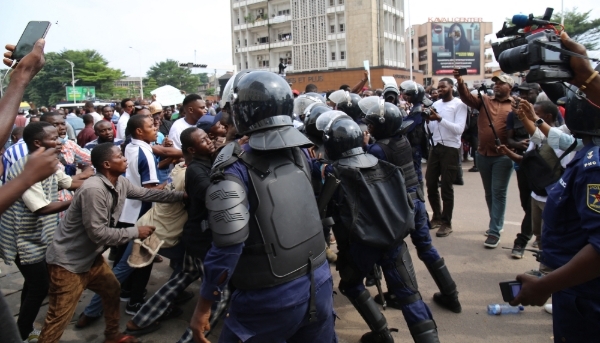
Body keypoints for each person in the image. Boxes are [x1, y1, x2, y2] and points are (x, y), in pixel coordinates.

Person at [189, 71, 336, 343]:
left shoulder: (233, 167)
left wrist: (203, 306)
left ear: (241, 111)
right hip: (320, 281)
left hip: (268, 297)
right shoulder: (302, 152)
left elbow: (227, 246)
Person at [38, 142, 185, 343]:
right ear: (107, 164)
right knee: (58, 319)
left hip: (91, 259)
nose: (125, 159)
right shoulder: (93, 190)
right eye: (120, 157)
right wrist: (135, 231)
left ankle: (112, 336)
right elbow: (98, 234)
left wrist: (181, 196)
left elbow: (147, 193)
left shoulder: (120, 183)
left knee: (112, 290)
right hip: (68, 264)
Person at [315, 112, 440, 342]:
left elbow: (326, 214)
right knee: (410, 296)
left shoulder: (335, 172)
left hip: (362, 245)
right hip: (395, 240)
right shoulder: (383, 164)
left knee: (351, 285)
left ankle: (382, 334)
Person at [509, 79, 600, 342]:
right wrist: (534, 118)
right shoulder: (585, 146)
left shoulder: (594, 167)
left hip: (586, 295)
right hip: (572, 285)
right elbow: (554, 136)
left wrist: (544, 286)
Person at [363, 101, 462, 317]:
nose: (368, 129)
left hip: (398, 207)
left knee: (395, 253)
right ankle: (450, 294)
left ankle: (401, 294)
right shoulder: (403, 140)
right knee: (426, 247)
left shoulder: (378, 149)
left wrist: (364, 146)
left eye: (371, 125)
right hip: (416, 201)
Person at [0, 122, 92, 342]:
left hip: (38, 236)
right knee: (40, 286)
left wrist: (94, 180)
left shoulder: (51, 165)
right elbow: (41, 208)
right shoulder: (25, 168)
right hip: (23, 240)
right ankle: (22, 332)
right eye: (54, 138)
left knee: (34, 284)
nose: (59, 141)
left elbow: (69, 182)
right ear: (38, 143)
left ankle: (23, 325)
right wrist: (76, 202)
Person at [124, 127, 217, 340]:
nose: (210, 141)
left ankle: (139, 320)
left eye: (208, 137)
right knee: (219, 293)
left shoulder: (194, 165)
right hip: (197, 236)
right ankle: (189, 337)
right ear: (192, 149)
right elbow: (211, 194)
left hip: (191, 235)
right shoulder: (193, 170)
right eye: (204, 140)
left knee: (182, 277)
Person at [454, 70, 515, 248]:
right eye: (495, 82)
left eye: (501, 82)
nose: (496, 85)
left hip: (504, 156)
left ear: (509, 87)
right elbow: (466, 97)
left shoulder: (516, 105)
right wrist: (459, 80)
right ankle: (495, 223)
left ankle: (495, 231)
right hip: (483, 155)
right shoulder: (485, 101)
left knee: (498, 193)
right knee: (489, 193)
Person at [425, 78, 468, 237]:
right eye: (438, 87)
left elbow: (458, 130)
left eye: (443, 87)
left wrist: (440, 119)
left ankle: (446, 222)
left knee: (447, 186)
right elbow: (431, 128)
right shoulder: (435, 105)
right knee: (430, 183)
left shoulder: (459, 105)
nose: (439, 89)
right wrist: (428, 120)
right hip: (435, 147)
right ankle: (436, 216)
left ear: (452, 87)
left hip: (450, 148)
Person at [505, 82, 540, 258]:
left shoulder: (546, 111)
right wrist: (517, 144)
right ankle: (537, 230)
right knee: (527, 204)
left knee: (535, 203)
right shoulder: (513, 115)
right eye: (522, 93)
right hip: (522, 163)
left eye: (529, 93)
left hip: (543, 167)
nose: (524, 96)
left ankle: (521, 241)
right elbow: (509, 140)